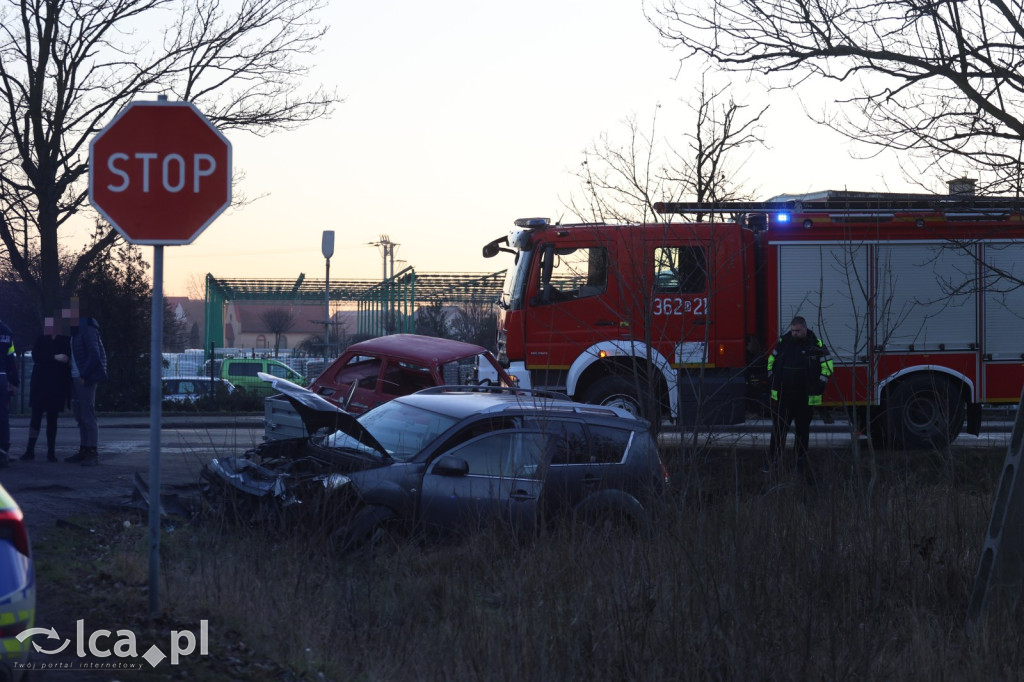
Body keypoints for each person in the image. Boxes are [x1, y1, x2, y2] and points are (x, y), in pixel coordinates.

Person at [765, 315, 833, 478]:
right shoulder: (784, 343)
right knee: (778, 431)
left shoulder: (815, 345)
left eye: (797, 331)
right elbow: (770, 361)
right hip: (784, 397)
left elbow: (828, 366)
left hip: (804, 398)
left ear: (804, 328)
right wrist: (771, 378)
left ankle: (800, 461)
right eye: (792, 330)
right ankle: (773, 460)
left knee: (802, 432)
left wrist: (820, 385)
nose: (794, 333)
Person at [20, 313, 73, 463]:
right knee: (35, 418)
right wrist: (54, 357)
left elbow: (66, 358)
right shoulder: (41, 339)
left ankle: (51, 452)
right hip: (40, 384)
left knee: (52, 419)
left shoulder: (65, 341)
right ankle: (30, 450)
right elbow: (37, 356)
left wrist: (50, 358)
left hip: (56, 385)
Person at [64, 301, 107, 467]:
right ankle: (84, 449)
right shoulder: (75, 332)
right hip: (76, 377)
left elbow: (94, 354)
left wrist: (83, 375)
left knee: (88, 414)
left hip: (84, 378)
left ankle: (92, 452)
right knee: (80, 415)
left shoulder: (87, 329)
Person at [0, 318, 18, 467]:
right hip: (2, 376)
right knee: (3, 414)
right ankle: (4, 448)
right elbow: (10, 358)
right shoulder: (6, 331)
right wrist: (14, 381)